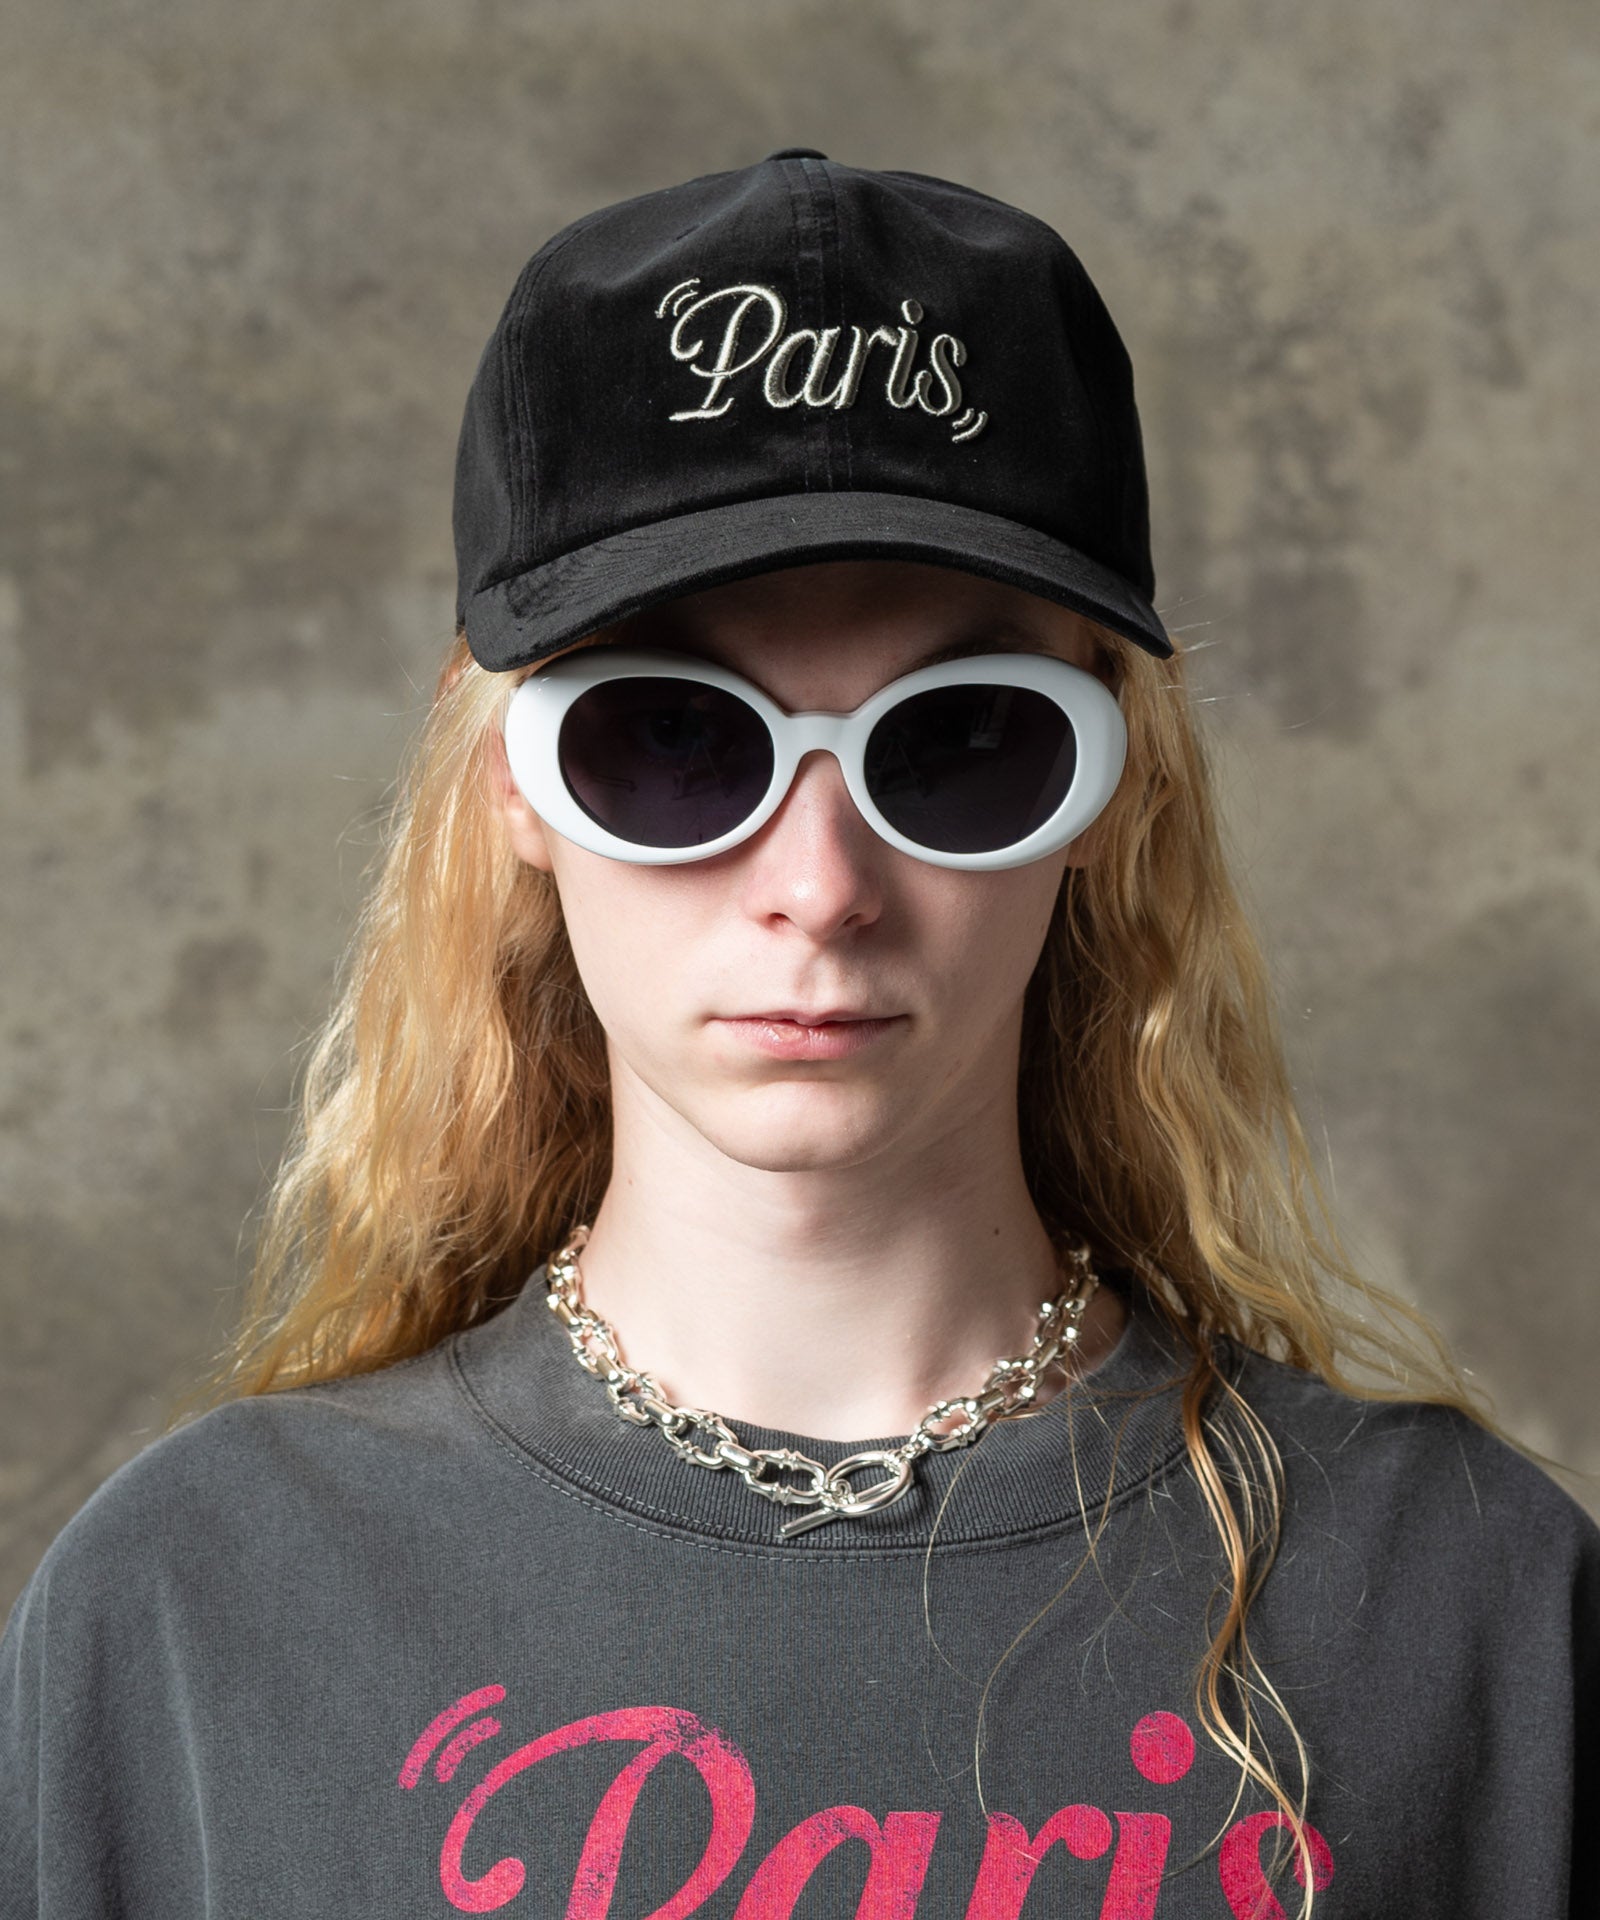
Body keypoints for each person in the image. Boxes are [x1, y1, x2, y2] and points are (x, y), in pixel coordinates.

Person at [1, 149, 1594, 1920]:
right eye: (673, 739)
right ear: (511, 780)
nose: (822, 888)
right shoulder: (194, 1608)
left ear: (1111, 787)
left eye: (963, 740)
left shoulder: (1469, 1606)